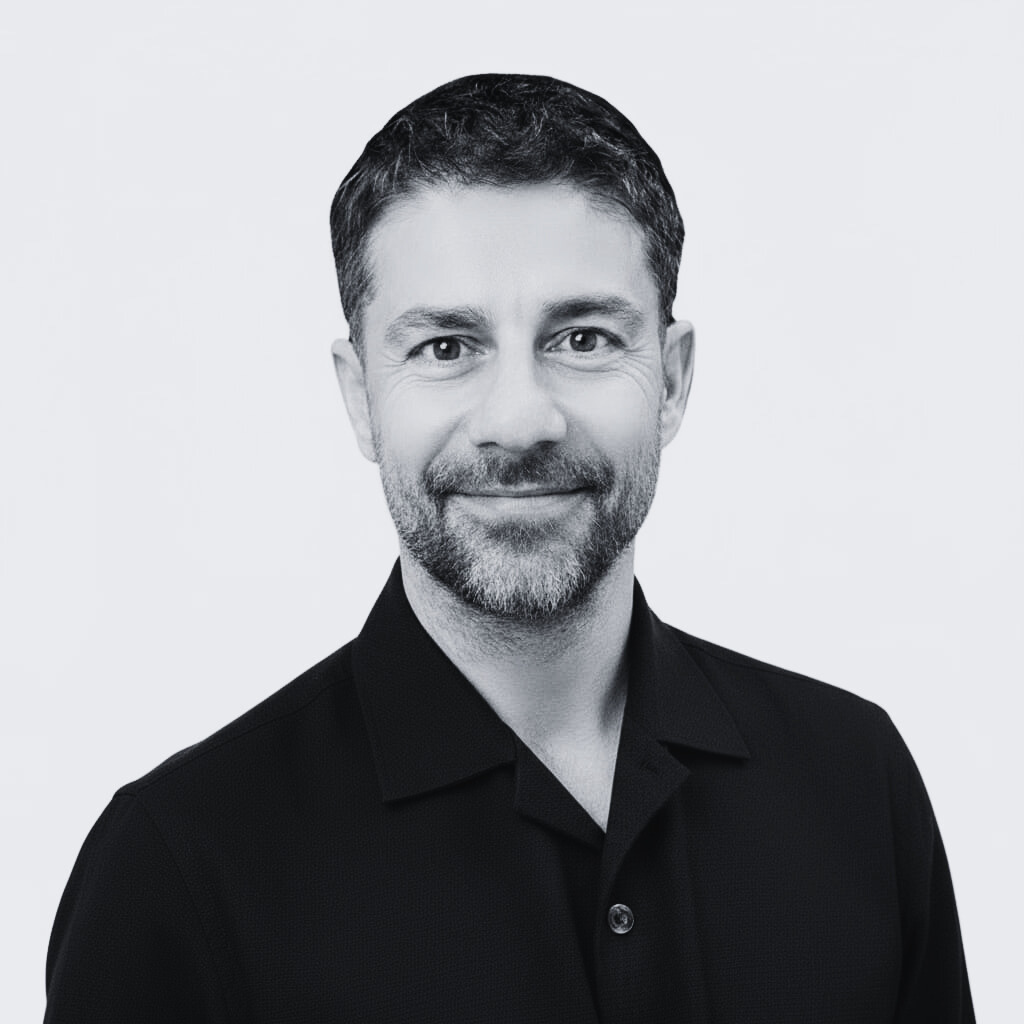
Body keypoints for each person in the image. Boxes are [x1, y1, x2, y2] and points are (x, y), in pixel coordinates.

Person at [44, 74, 974, 1022]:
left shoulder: (857, 782)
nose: (520, 420)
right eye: (447, 347)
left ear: (674, 378)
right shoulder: (176, 868)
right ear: (361, 395)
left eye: (582, 336)